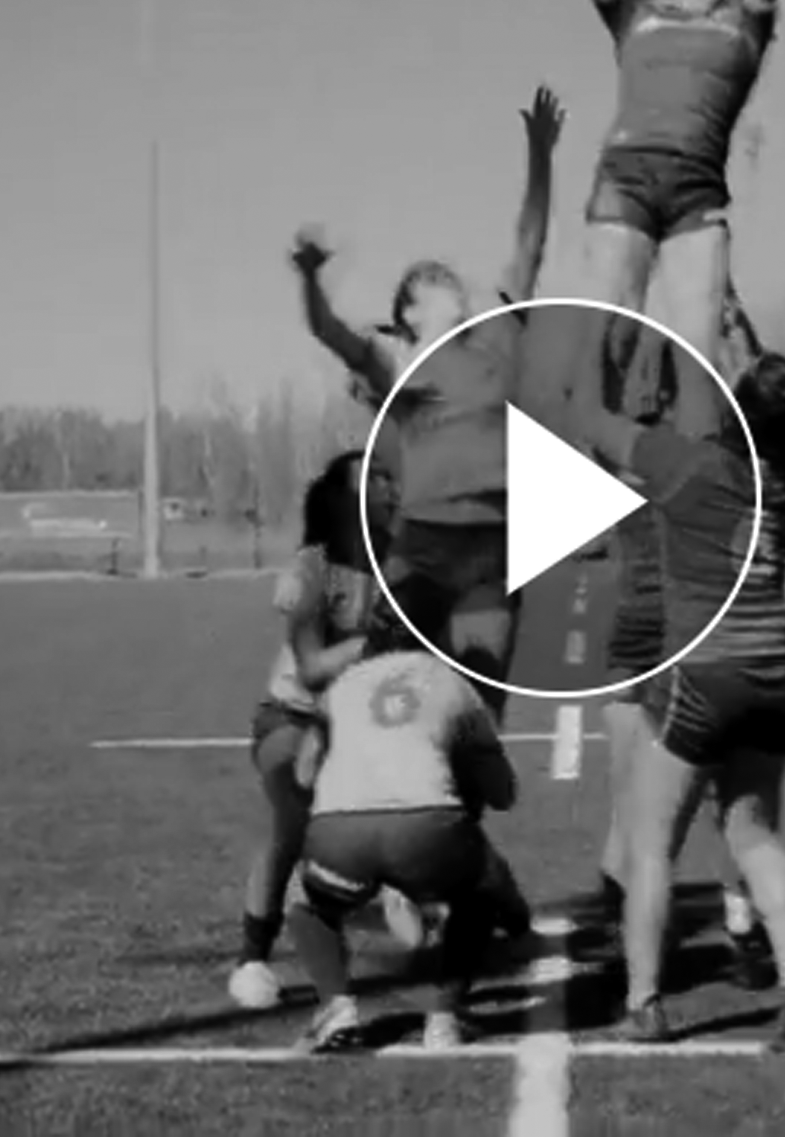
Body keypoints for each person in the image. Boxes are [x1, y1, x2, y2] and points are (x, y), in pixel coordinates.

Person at [577, 347, 785, 1048]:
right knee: (753, 834)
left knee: (651, 845)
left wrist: (580, 347)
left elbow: (595, 425)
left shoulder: (689, 466)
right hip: (779, 675)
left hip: (704, 674)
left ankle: (644, 1002)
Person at [294, 86, 564, 722]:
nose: (451, 283)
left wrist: (540, 155)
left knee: (479, 715)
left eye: (450, 280)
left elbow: (530, 242)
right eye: (432, 283)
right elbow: (327, 330)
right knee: (387, 706)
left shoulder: (498, 334)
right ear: (410, 315)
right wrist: (308, 276)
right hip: (420, 558)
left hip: (492, 555)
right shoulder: (399, 363)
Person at [540, 0, 777, 444]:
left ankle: (695, 476)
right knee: (607, 340)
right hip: (626, 183)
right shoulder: (635, 17)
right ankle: (586, 467)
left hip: (698, 198)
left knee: (698, 360)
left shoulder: (747, 31)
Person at [596, 285, 772, 990]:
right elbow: (766, 404)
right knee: (728, 805)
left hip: (656, 644)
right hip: (681, 643)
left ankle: (646, 953)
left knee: (650, 813)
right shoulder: (705, 458)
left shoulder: (637, 454)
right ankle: (732, 930)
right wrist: (735, 329)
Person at [228, 451, 426, 1009]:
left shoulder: (405, 565)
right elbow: (313, 668)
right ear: (343, 501)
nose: (389, 490)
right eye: (374, 481)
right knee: (294, 818)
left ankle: (389, 891)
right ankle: (252, 958)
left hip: (365, 724)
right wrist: (375, 641)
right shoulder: (311, 570)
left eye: (390, 478)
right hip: (292, 716)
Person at [287, 583, 520, 1053]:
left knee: (304, 900)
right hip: (429, 832)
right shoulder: (453, 682)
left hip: (340, 832)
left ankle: (336, 1008)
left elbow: (304, 772)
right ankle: (444, 1019)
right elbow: (503, 792)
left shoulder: (343, 684)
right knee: (481, 896)